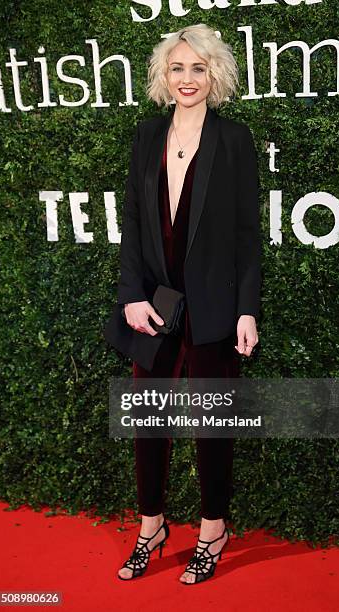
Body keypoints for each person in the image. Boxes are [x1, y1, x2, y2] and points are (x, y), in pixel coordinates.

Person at [103, 23, 261, 584]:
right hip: (157, 303)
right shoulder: (146, 134)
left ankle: (213, 529)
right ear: (163, 76)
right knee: (150, 423)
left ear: (214, 74)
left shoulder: (234, 139)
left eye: (198, 68)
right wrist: (131, 297)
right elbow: (130, 225)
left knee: (211, 426)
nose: (187, 78)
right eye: (177, 68)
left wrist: (246, 309)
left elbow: (247, 235)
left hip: (215, 305)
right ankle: (152, 525)